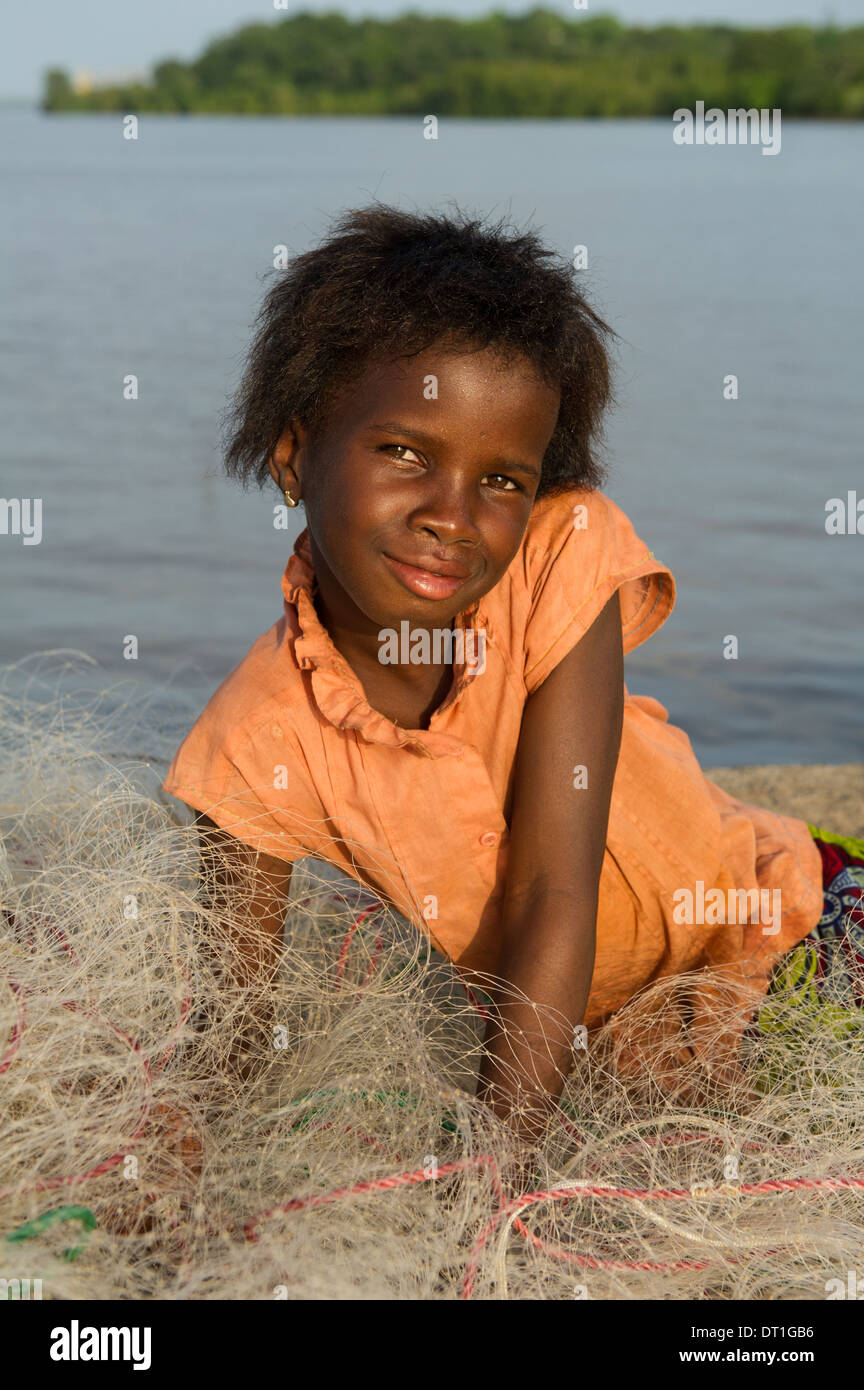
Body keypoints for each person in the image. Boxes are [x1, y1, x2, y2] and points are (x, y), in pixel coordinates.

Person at [162, 204, 856, 1147]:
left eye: (502, 480)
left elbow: (550, 893)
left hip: (780, 918)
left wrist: (496, 1181)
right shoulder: (254, 744)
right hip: (592, 1030)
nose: (453, 516)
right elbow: (234, 1027)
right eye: (404, 452)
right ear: (293, 454)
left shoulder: (557, 559)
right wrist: (176, 1155)